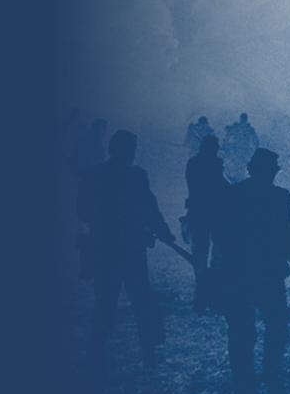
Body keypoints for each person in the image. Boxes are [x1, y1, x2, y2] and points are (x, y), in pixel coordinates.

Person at [77, 130, 175, 367]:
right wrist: (162, 231)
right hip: (131, 248)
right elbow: (150, 208)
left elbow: (83, 211)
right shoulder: (136, 176)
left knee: (106, 302)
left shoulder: (94, 174)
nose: (132, 153)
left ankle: (96, 355)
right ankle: (148, 352)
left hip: (105, 248)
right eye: (131, 148)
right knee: (140, 300)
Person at [211, 148, 290, 394]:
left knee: (247, 330)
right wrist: (287, 259)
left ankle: (250, 383)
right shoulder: (279, 196)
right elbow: (289, 232)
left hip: (244, 272)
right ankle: (266, 377)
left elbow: (221, 235)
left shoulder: (233, 194)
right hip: (260, 271)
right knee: (269, 327)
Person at [184, 135, 229, 312]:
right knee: (215, 256)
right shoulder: (213, 164)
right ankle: (210, 295)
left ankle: (203, 295)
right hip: (213, 215)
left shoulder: (193, 164)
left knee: (201, 257)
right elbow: (221, 186)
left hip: (198, 214)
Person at [222, 113, 260, 182]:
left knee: (237, 164)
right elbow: (255, 140)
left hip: (239, 149)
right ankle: (238, 177)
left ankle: (238, 178)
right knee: (240, 164)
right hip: (241, 149)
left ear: (241, 119)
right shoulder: (248, 128)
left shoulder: (239, 127)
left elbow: (228, 133)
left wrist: (226, 145)